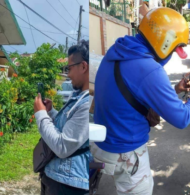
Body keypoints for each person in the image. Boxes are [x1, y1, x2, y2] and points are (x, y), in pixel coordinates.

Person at [91, 7, 190, 195]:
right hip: (126, 155)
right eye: (174, 49)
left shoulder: (118, 50)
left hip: (100, 145)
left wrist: (176, 90)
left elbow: (137, 92)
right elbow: (182, 119)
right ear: (165, 44)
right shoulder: (149, 69)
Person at [34, 40, 89, 195]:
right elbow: (69, 127)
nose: (68, 74)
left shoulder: (88, 103)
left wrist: (40, 114)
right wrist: (51, 113)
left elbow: (62, 147)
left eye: (69, 68)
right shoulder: (79, 97)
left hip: (68, 186)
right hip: (56, 177)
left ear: (83, 67)